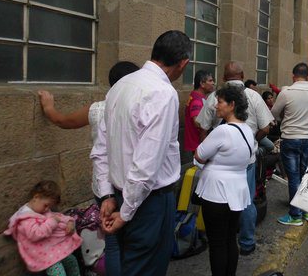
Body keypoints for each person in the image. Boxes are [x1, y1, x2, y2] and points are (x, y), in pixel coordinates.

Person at [99, 30, 191, 276]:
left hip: (121, 195)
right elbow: (146, 163)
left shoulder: (119, 87)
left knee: (129, 263)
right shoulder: (162, 93)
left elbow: (101, 149)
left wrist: (107, 195)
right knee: (146, 267)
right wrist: (127, 212)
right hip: (148, 201)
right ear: (183, 63)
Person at [37, 61, 139, 276]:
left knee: (113, 242)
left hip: (104, 187)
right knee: (136, 241)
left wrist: (48, 107)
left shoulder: (98, 109)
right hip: (134, 184)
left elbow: (63, 121)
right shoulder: (141, 107)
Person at [196, 61, 274, 256]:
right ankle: (246, 242)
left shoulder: (215, 96)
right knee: (245, 200)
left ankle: (221, 239)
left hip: (218, 162)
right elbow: (266, 127)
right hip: (246, 160)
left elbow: (202, 126)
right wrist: (249, 143)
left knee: (217, 202)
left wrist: (208, 148)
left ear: (223, 77)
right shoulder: (254, 95)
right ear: (242, 76)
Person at [194, 84, 255, 276]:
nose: (215, 106)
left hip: (216, 192)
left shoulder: (223, 131)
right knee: (229, 239)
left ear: (232, 105)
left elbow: (199, 154)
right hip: (237, 190)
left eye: (219, 102)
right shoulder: (247, 130)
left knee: (217, 243)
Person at [271, 62, 308, 226]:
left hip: (290, 138)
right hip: (307, 139)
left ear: (293, 76)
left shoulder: (287, 93)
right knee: (304, 176)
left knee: (293, 178)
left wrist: (284, 119)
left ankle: (295, 215)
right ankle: (306, 211)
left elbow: (273, 114)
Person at [5, 180, 82, 276]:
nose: (47, 209)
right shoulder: (25, 218)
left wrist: (70, 222)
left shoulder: (41, 210)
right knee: (58, 272)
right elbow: (35, 234)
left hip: (53, 250)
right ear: (36, 197)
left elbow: (58, 216)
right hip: (44, 256)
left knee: (72, 261)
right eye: (46, 205)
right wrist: (52, 222)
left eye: (49, 206)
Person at [184, 69, 216, 152]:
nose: (213, 83)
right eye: (210, 80)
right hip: (198, 144)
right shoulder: (197, 101)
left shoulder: (197, 97)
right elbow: (197, 122)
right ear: (202, 83)